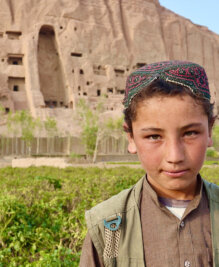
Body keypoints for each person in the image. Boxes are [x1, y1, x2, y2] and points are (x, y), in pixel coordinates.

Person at [79, 61, 219, 267]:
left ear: (210, 131)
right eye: (154, 136)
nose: (174, 156)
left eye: (190, 133)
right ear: (131, 138)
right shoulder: (111, 228)